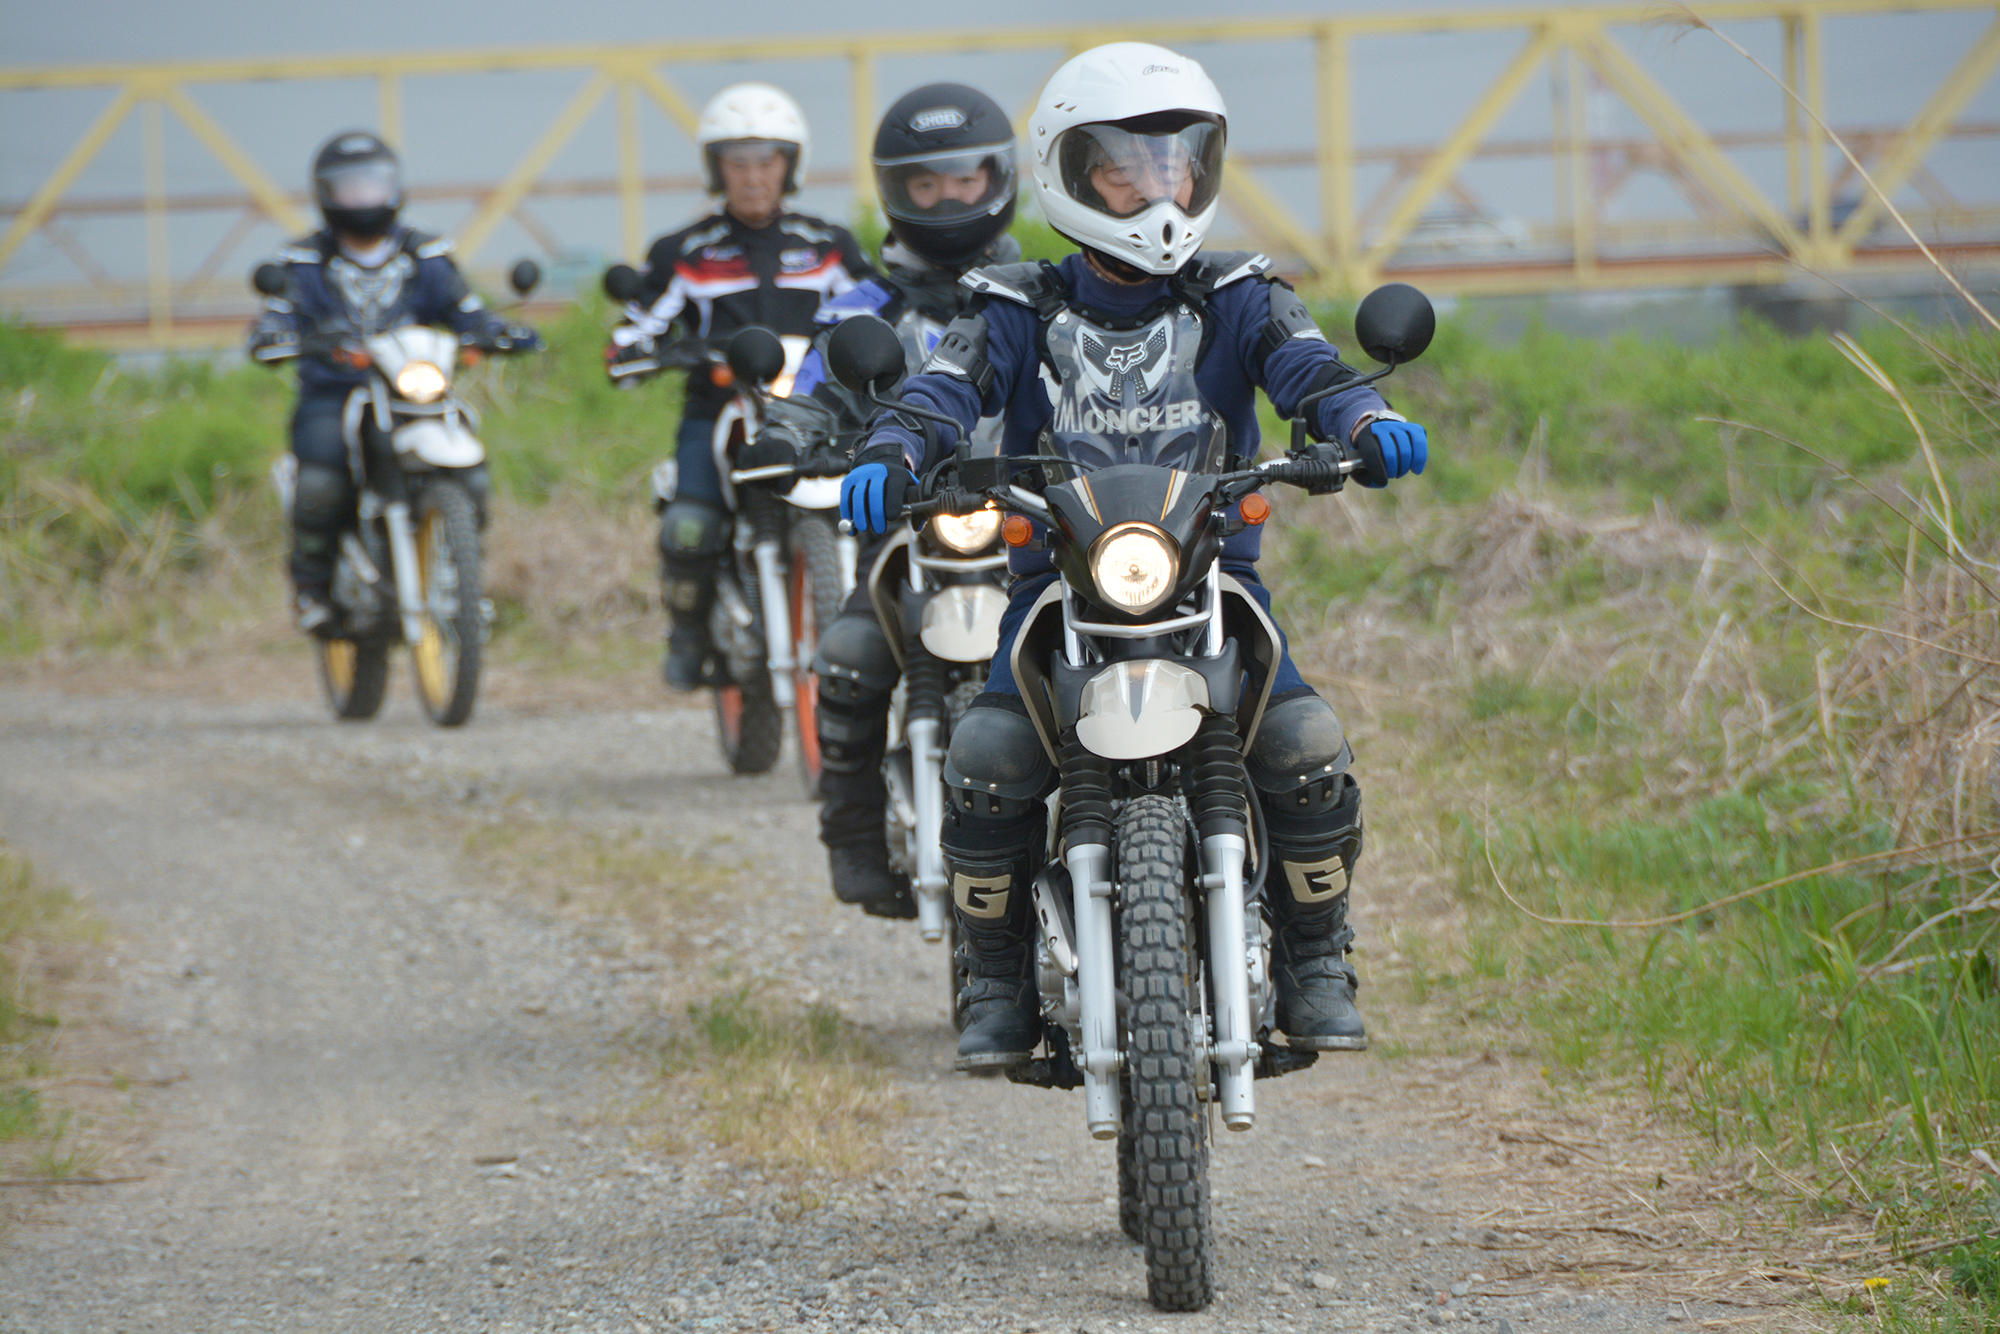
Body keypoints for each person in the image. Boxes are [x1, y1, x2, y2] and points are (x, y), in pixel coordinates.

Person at [839, 43, 1433, 1070]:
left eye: (1176, 162)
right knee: (986, 762)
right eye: (1124, 165)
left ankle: (1315, 954)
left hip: (1210, 576)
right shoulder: (1015, 304)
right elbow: (946, 385)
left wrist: (1363, 413)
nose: (1156, 186)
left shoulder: (1242, 294)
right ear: (1070, 174)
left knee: (1303, 745)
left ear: (1204, 168)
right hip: (1052, 583)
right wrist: (897, 443)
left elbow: (1307, 368)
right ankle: (994, 975)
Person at [752, 82, 1020, 918]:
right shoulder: (863, 305)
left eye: (963, 179)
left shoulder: (1036, 296)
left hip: (1033, 528)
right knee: (854, 657)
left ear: (997, 178)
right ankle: (854, 834)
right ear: (894, 192)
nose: (946, 199)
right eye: (925, 184)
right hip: (906, 528)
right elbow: (818, 380)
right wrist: (788, 432)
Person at [604, 83, 876, 691]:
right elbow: (634, 330)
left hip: (818, 410)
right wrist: (635, 352)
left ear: (790, 165)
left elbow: (877, 309)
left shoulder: (828, 245)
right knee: (688, 528)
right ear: (717, 168)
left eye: (767, 161)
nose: (754, 177)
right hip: (718, 410)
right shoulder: (685, 252)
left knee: (886, 506)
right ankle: (690, 634)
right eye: (738, 162)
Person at [248, 131, 538, 636]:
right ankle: (311, 587)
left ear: (395, 186)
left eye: (373, 184)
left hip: (414, 390)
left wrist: (498, 331)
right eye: (350, 187)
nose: (364, 198)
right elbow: (276, 318)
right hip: (334, 393)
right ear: (326, 194)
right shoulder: (302, 260)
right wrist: (278, 337)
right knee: (322, 479)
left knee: (471, 468)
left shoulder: (426, 251)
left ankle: (463, 580)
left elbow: (465, 309)